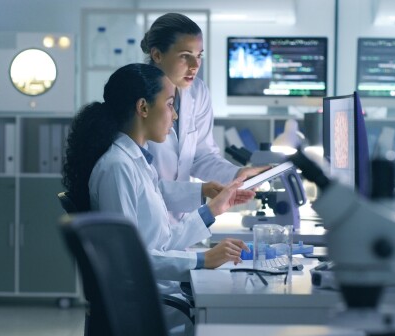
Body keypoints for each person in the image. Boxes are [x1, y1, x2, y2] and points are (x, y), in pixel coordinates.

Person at [62, 63, 254, 281]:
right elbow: (126, 258)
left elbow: (162, 242)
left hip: (160, 287)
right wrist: (203, 259)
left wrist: (212, 210)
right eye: (170, 105)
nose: (175, 116)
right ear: (143, 108)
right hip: (150, 295)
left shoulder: (137, 161)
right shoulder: (117, 167)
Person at [141, 13, 270, 216]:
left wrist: (237, 174)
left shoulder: (197, 92)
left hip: (179, 220)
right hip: (143, 218)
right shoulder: (138, 99)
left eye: (199, 55)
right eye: (185, 55)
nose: (195, 65)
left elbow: (202, 156)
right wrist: (201, 191)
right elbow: (137, 183)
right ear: (157, 55)